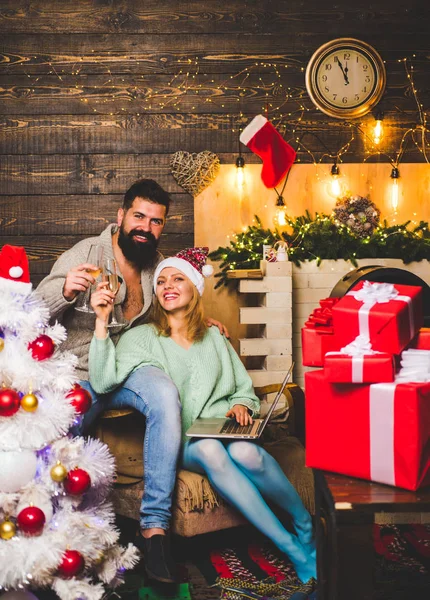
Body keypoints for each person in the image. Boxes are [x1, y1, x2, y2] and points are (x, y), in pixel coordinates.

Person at [36, 179, 227, 583]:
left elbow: (176, 305)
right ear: (121, 216)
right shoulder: (88, 252)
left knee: (164, 393)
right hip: (83, 371)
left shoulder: (158, 267)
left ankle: (155, 531)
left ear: (163, 226)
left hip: (131, 367)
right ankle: (51, 530)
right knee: (62, 429)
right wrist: (67, 290)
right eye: (139, 216)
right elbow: (37, 307)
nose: (145, 226)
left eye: (156, 221)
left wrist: (202, 323)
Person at [88, 247, 317, 584]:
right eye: (162, 280)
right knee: (211, 449)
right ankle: (292, 548)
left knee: (246, 452)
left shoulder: (214, 337)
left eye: (178, 278)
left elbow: (243, 390)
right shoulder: (141, 338)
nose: (168, 285)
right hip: (187, 441)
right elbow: (104, 380)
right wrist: (102, 321)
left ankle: (304, 524)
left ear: (194, 288)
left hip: (224, 430)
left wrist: (241, 406)